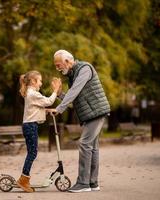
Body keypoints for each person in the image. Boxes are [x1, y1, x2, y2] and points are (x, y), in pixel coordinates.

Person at [47, 50, 111, 193]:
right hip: (90, 115)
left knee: (84, 144)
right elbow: (74, 100)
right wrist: (58, 94)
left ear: (68, 61)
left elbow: (74, 91)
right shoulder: (72, 75)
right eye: (56, 66)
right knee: (92, 147)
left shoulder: (85, 69)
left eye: (59, 65)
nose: (58, 69)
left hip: (97, 112)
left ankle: (83, 183)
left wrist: (58, 109)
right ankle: (92, 183)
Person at [17, 70, 61, 193]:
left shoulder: (31, 93)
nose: (41, 83)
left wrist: (47, 111)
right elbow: (48, 101)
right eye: (40, 81)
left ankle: (24, 178)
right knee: (32, 153)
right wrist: (55, 90)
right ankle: (23, 179)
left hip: (30, 125)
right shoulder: (33, 94)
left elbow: (35, 108)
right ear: (33, 81)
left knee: (32, 152)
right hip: (30, 126)